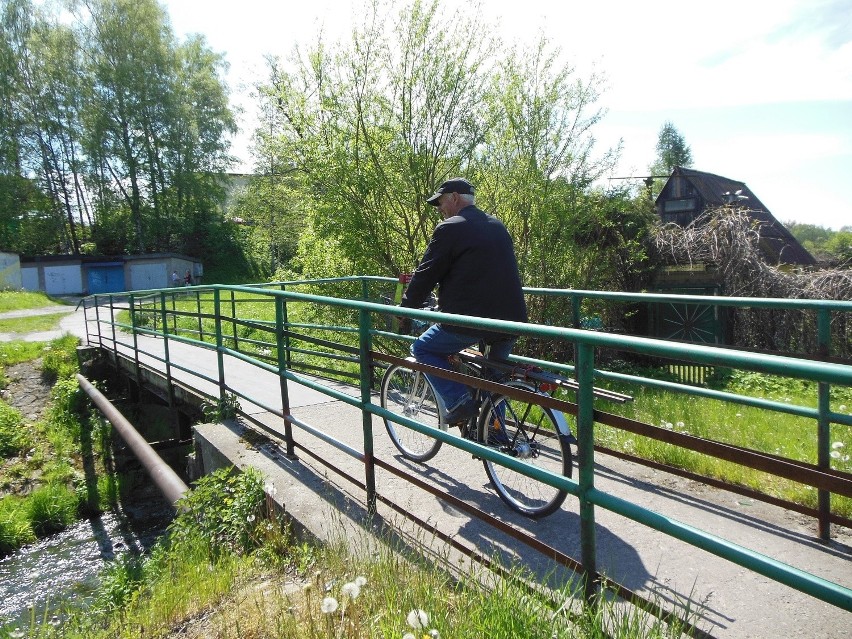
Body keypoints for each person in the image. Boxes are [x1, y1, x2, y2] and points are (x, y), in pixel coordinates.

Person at [399, 177, 527, 425]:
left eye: (441, 204)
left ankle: (458, 401)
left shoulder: (451, 228)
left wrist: (406, 308)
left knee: (423, 349)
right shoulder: (497, 225)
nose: (440, 210)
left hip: (471, 321)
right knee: (494, 379)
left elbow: (427, 273)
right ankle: (495, 436)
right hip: (512, 319)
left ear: (455, 198)